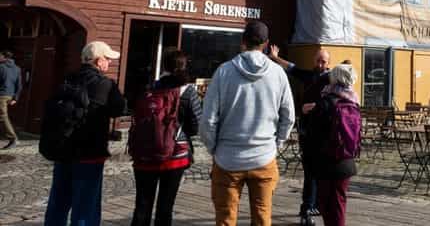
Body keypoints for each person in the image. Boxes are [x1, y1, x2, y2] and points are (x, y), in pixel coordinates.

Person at [200, 21, 295, 226]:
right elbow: (289, 116)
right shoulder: (278, 74)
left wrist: (214, 148)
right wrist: (276, 144)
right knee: (262, 219)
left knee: (225, 219)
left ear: (242, 41)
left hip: (227, 158)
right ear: (267, 43)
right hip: (264, 157)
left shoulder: (223, 72)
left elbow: (207, 120)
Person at [44, 41, 126, 226]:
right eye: (107, 59)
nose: (109, 63)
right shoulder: (105, 84)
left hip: (63, 149)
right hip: (90, 152)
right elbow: (120, 109)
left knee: (58, 203)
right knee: (85, 207)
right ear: (98, 61)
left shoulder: (68, 79)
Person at [130, 50, 202, 226]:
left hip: (145, 153)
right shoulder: (188, 91)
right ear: (185, 66)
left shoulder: (150, 87)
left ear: (164, 66)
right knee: (165, 206)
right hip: (175, 155)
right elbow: (196, 125)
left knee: (142, 205)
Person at [267, 47, 330, 225]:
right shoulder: (309, 76)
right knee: (311, 173)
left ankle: (315, 204)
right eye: (317, 60)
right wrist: (275, 58)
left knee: (320, 172)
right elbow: (292, 68)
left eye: (323, 61)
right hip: (308, 134)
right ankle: (307, 209)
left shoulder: (332, 79)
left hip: (324, 135)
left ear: (328, 63)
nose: (320, 64)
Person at [305, 64, 361, 226]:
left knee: (328, 206)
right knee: (339, 202)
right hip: (346, 160)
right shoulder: (353, 101)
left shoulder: (325, 102)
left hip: (326, 162)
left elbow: (312, 136)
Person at [0, 51, 22, 149]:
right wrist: (15, 98)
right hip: (9, 95)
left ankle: (13, 138)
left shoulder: (1, 67)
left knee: (3, 116)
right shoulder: (17, 68)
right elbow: (19, 85)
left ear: (4, 57)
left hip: (1, 95)